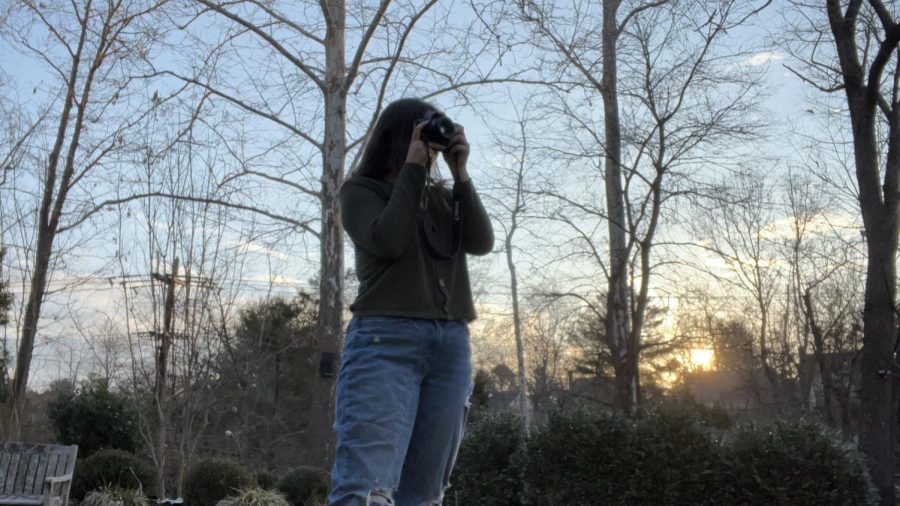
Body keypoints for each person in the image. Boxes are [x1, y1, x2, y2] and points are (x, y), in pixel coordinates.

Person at [327, 98, 494, 506]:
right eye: (423, 132)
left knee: (424, 494)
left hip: (451, 343)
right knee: (366, 491)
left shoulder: (439, 196)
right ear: (399, 137)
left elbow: (481, 241)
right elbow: (389, 240)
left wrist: (460, 173)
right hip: (386, 341)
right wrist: (414, 169)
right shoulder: (359, 191)